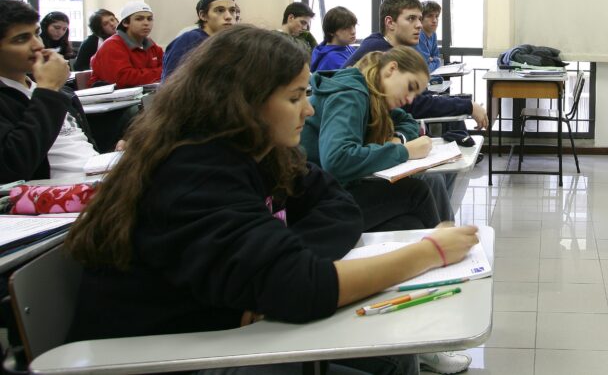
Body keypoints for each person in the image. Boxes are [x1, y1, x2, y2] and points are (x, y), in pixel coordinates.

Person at [64, 26, 479, 375]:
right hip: (167, 356)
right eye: (296, 97)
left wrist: (280, 272)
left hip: (223, 330)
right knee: (388, 362)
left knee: (392, 358)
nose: (310, 110)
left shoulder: (263, 153)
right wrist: (430, 252)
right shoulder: (193, 171)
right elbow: (304, 287)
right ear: (244, 103)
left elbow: (339, 206)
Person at [303, 47, 451, 226]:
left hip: (330, 189)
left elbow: (409, 122)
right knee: (417, 192)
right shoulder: (351, 94)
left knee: (409, 224)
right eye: (410, 87)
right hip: (309, 200)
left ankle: (438, 247)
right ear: (392, 69)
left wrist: (399, 139)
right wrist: (404, 151)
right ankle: (444, 249)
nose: (411, 99)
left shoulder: (376, 97)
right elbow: (337, 159)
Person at [345, 0, 487, 130]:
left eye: (419, 18)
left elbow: (419, 98)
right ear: (390, 23)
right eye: (411, 18)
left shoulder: (390, 47)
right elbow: (414, 105)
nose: (419, 25)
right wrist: (469, 106)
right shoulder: (380, 52)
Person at [0, 0, 98, 182]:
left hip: (99, 182)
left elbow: (82, 148)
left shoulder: (59, 92)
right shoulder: (49, 90)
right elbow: (11, 167)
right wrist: (49, 90)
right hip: (54, 199)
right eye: (21, 39)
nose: (38, 45)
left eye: (36, 34)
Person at [161, 0, 237, 80]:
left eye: (232, 10)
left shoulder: (232, 42)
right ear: (203, 15)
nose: (228, 16)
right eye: (220, 10)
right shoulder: (189, 40)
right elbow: (170, 85)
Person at [89, 1, 163, 87]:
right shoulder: (112, 45)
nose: (146, 23)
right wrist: (161, 72)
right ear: (125, 23)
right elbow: (125, 79)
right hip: (110, 99)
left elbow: (170, 66)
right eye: (139, 19)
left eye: (149, 19)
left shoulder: (150, 44)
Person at [310, 6, 357, 72]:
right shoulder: (330, 59)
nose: (353, 31)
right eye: (346, 28)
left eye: (354, 26)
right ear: (331, 32)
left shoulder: (349, 48)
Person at [417, 1, 442, 75]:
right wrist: (436, 61)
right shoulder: (417, 34)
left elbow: (436, 57)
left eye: (437, 16)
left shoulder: (433, 34)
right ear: (421, 19)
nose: (434, 20)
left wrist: (433, 60)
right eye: (430, 16)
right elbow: (426, 69)